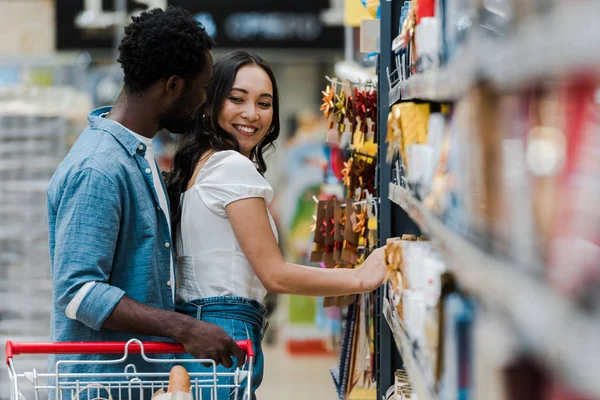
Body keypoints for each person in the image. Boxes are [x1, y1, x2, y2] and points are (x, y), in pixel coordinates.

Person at [46, 7, 244, 396]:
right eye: (202, 88)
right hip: (99, 386)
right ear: (173, 86)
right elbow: (77, 291)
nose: (205, 102)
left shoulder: (136, 156)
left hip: (135, 380)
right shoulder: (98, 168)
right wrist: (185, 328)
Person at [166, 50, 386, 398]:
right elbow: (275, 274)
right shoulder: (231, 168)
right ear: (209, 104)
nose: (252, 114)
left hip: (200, 329)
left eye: (264, 103)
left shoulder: (200, 165)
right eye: (237, 99)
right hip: (226, 329)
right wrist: (361, 277)